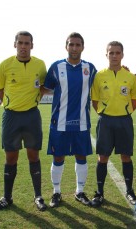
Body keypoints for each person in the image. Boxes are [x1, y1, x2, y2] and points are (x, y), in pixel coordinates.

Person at [0, 31, 47, 211]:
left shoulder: (40, 65)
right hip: (11, 117)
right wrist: (10, 104)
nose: (23, 46)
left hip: (31, 116)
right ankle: (7, 197)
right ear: (15, 44)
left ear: (32, 45)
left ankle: (38, 196)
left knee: (33, 155)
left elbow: (43, 87)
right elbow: (0, 90)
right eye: (20, 43)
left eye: (27, 43)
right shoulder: (5, 65)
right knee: (11, 157)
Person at [43, 32, 97, 208]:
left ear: (83, 47)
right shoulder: (56, 67)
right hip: (59, 123)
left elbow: (103, 83)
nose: (74, 48)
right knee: (58, 158)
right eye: (71, 44)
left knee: (81, 157)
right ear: (66, 46)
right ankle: (56, 192)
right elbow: (44, 89)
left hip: (81, 122)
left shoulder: (90, 68)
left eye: (77, 45)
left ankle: (79, 191)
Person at [90, 41, 136, 207]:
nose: (114, 56)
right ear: (106, 55)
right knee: (103, 156)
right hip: (105, 121)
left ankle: (130, 191)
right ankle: (99, 193)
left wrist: (123, 112)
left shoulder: (130, 77)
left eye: (117, 53)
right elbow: (95, 101)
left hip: (124, 120)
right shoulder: (99, 76)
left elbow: (134, 100)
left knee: (125, 156)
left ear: (122, 55)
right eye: (111, 53)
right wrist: (105, 112)